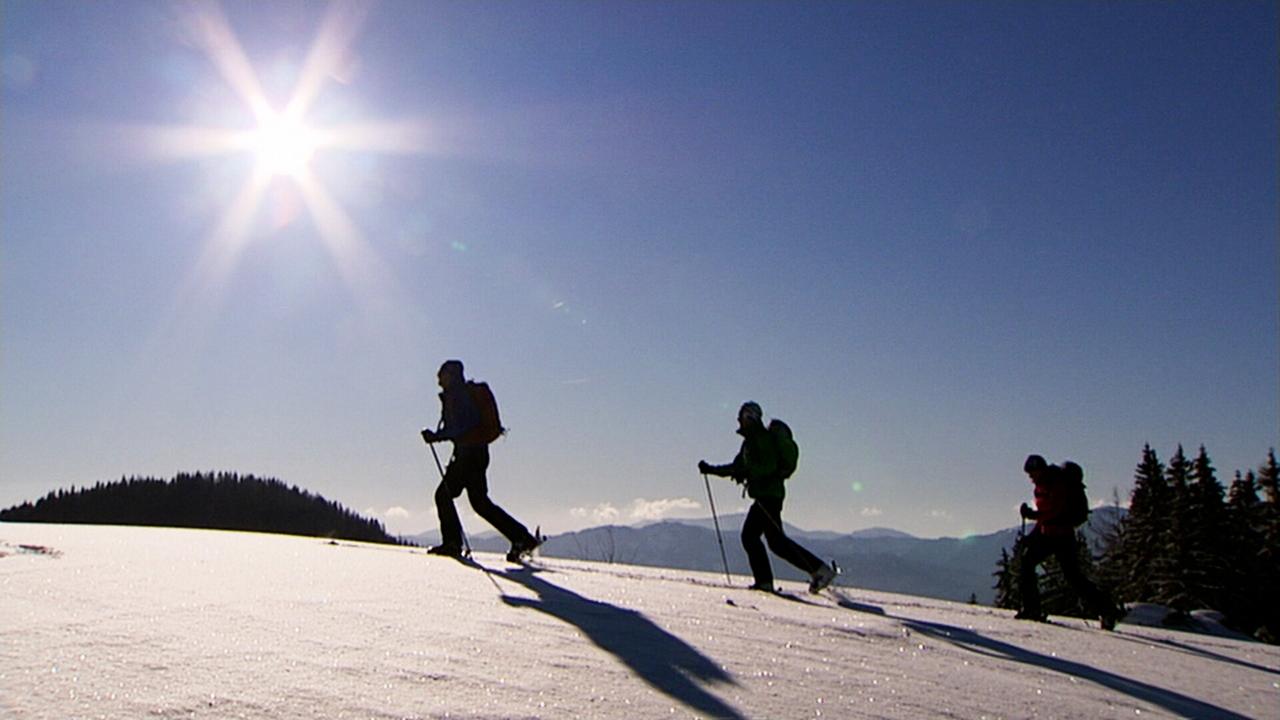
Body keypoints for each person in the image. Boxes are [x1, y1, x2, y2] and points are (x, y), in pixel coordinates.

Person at [698, 401, 838, 594]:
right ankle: (817, 570)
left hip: (768, 496)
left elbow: (768, 467)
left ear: (750, 417)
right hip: (768, 496)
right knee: (775, 542)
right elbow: (737, 467)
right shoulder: (751, 442)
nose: (739, 420)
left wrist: (747, 472)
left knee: (752, 537)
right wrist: (712, 470)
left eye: (742, 416)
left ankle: (775, 580)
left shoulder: (761, 439)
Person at [421, 360, 540, 562]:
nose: (438, 379)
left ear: (451, 375)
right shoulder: (458, 395)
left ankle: (452, 544)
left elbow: (463, 426)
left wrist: (436, 437)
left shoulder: (459, 396)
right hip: (476, 453)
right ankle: (522, 538)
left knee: (444, 495)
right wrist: (439, 435)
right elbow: (462, 427)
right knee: (480, 503)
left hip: (469, 454)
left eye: (442, 374)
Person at [1017, 454, 1121, 630]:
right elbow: (1047, 516)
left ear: (1039, 470)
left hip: (1060, 535)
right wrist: (1032, 534)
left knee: (1070, 576)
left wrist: (1033, 516)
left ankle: (1107, 609)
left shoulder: (1055, 482)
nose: (1031, 478)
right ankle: (1107, 609)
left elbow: (1054, 511)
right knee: (1067, 575)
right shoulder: (1043, 485)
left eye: (1032, 473)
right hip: (1054, 534)